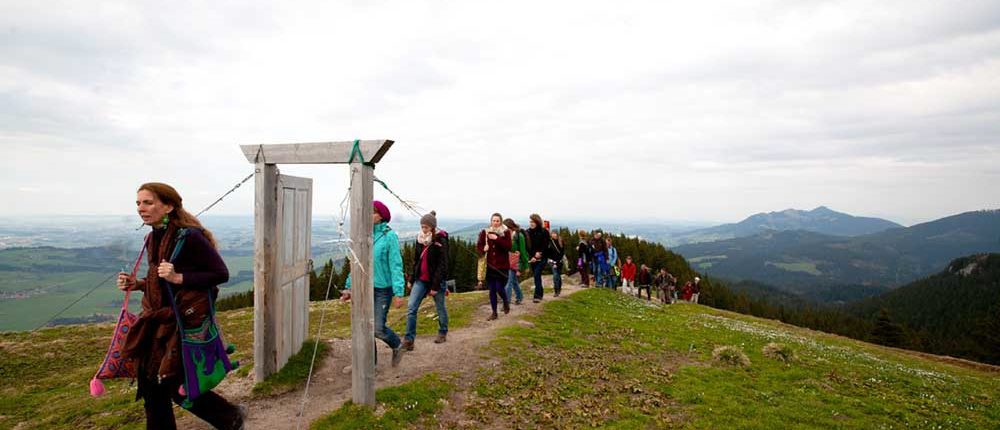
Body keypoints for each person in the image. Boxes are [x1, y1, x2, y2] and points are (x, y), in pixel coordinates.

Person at [118, 182, 246, 430]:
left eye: (148, 202)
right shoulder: (154, 235)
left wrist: (179, 278)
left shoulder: (189, 237)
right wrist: (138, 284)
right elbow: (160, 283)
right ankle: (229, 417)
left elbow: (220, 273)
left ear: (168, 206)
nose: (141, 208)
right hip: (159, 321)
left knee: (172, 384)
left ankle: (230, 417)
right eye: (138, 203)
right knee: (152, 384)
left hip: (181, 323)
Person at [342, 200, 406, 367]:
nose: (369, 215)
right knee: (364, 328)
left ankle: (397, 345)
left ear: (381, 216)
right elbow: (357, 263)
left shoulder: (389, 236)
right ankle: (371, 366)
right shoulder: (364, 235)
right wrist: (349, 287)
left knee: (377, 327)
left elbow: (396, 264)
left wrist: (399, 292)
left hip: (383, 290)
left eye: (373, 212)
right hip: (365, 287)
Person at [402, 211, 449, 351]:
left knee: (440, 307)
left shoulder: (440, 240)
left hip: (436, 281)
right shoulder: (420, 239)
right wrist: (411, 278)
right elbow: (416, 260)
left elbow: (442, 265)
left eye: (426, 227)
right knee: (411, 308)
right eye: (422, 226)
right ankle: (409, 340)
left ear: (433, 227)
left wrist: (435, 286)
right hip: (420, 279)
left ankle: (443, 331)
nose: (424, 229)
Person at [477, 213, 513, 320]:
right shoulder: (485, 232)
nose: (495, 222)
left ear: (501, 222)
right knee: (492, 290)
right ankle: (494, 313)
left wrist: (496, 239)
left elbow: (508, 247)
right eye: (494, 220)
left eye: (497, 221)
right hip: (490, 266)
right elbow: (479, 246)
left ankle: (505, 301)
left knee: (499, 287)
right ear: (491, 221)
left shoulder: (505, 233)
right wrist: (483, 249)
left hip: (502, 266)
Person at [525, 214, 551, 303]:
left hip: (542, 258)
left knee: (536, 274)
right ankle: (540, 292)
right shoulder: (527, 232)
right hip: (532, 258)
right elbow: (527, 247)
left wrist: (540, 253)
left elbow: (546, 245)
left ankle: (537, 296)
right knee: (537, 276)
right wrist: (533, 256)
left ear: (537, 222)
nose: (531, 223)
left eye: (533, 222)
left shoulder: (544, 232)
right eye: (530, 222)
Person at [503, 218, 529, 305]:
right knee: (513, 281)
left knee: (508, 281)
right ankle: (519, 297)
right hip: (506, 261)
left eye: (507, 228)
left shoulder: (519, 236)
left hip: (516, 263)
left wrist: (526, 265)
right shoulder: (504, 236)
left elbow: (523, 251)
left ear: (511, 227)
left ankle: (506, 302)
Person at [547, 231, 565, 297]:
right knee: (555, 276)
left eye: (555, 234)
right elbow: (548, 252)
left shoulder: (561, 242)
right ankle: (556, 291)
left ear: (557, 235)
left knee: (558, 276)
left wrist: (556, 263)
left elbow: (562, 253)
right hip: (552, 261)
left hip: (559, 262)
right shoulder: (550, 242)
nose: (553, 235)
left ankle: (559, 288)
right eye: (552, 234)